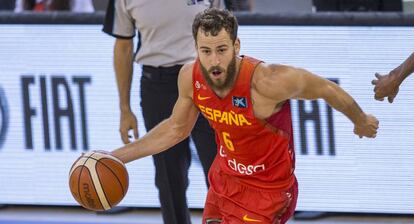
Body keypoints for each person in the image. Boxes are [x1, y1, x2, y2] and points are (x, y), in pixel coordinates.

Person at [107, 8, 379, 223]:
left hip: (268, 190)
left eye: (221, 50)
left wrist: (361, 119)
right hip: (225, 179)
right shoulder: (190, 77)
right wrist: (114, 158)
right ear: (196, 48)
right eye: (206, 51)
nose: (214, 61)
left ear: (236, 45)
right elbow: (175, 129)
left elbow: (327, 89)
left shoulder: (269, 81)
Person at [102, 1, 217, 223]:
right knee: (168, 177)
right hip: (158, 86)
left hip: (206, 80)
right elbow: (123, 46)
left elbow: (225, 33)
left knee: (220, 173)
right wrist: (125, 109)